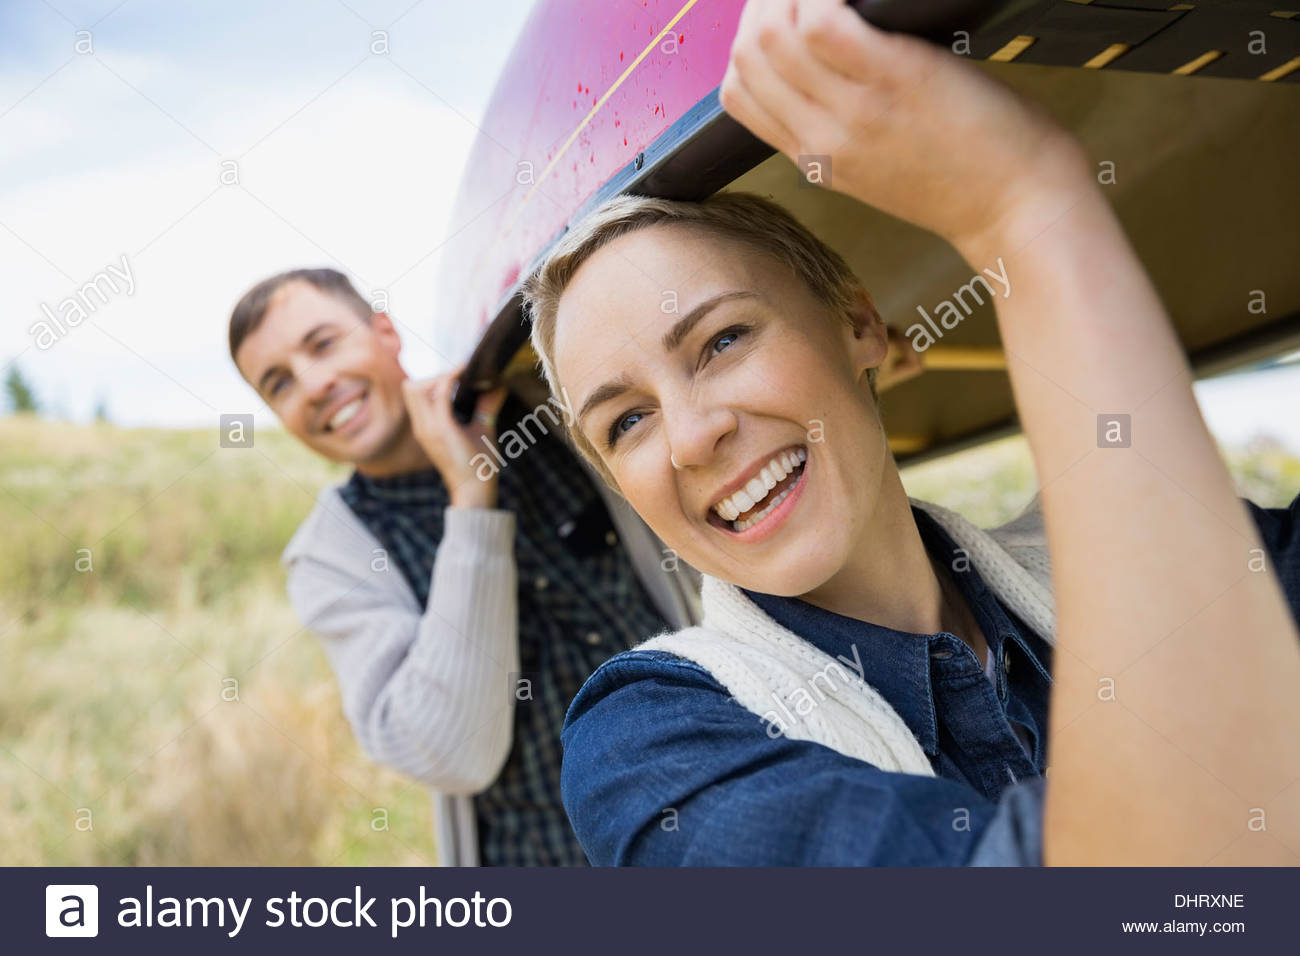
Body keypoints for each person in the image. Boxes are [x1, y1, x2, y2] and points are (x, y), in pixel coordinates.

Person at [519, 0, 1300, 865]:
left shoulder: (1166, 551)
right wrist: (1026, 206)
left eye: (723, 340)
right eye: (627, 421)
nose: (692, 438)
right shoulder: (651, 746)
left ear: (862, 325)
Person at [227, 268, 703, 865]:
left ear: (384, 331)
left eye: (323, 344)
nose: (315, 384)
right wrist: (471, 497)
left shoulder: (546, 406)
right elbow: (451, 753)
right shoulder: (331, 555)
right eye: (279, 384)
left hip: (710, 798)